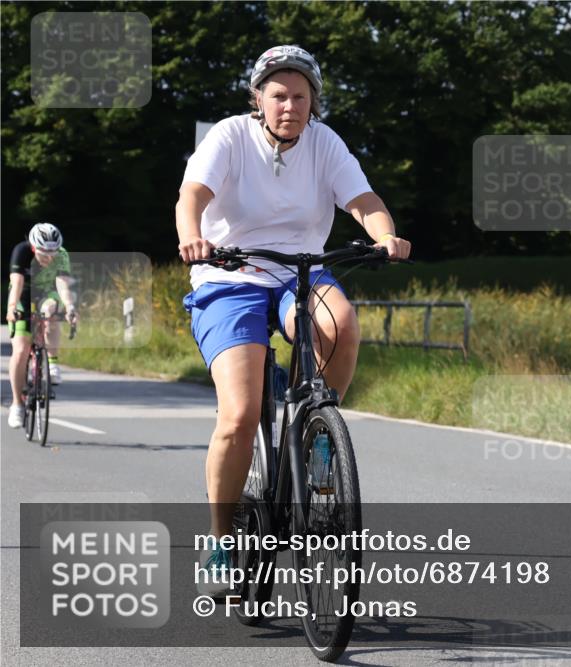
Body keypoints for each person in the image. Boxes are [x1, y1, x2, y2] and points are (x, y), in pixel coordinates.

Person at [175, 45, 411, 597]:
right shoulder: (230, 136)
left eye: (300, 96)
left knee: (343, 323)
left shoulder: (325, 143)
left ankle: (316, 432)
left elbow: (363, 199)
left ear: (313, 101)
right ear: (258, 99)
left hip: (298, 273)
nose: (290, 105)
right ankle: (220, 542)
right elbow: (194, 194)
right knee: (237, 415)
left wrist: (384, 235)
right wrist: (192, 234)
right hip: (229, 277)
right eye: (278, 95)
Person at [6, 223, 79, 428]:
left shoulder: (61, 254)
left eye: (53, 253)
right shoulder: (21, 251)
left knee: (52, 311)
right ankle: (17, 404)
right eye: (43, 253)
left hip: (47, 292)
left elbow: (63, 283)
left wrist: (70, 307)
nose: (49, 258)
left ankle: (53, 363)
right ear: (33, 247)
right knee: (20, 350)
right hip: (24, 293)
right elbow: (17, 283)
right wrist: (12, 307)